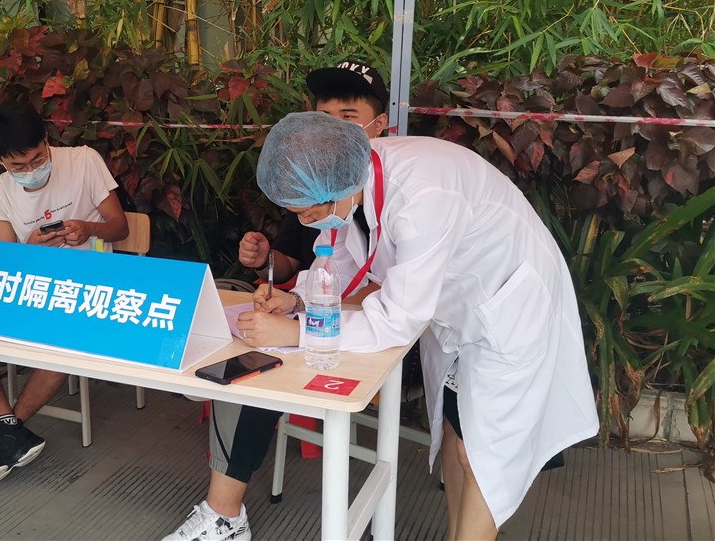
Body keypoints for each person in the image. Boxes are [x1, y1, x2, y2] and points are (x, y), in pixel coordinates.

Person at [165, 112, 599, 541]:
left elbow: (396, 320)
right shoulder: (355, 181)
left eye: (307, 212)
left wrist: (297, 332)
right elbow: (339, 263)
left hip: (510, 309)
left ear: (331, 193)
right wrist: (297, 300)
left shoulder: (424, 194)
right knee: (457, 431)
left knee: (483, 457)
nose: (305, 222)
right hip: (457, 312)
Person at [0, 102, 129, 492]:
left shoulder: (83, 161)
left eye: (37, 159)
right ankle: (10, 430)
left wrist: (89, 229)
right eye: (18, 166)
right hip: (33, 292)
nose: (31, 170)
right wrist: (30, 249)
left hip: (91, 288)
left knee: (63, 337)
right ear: (0, 161)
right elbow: (7, 266)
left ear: (47, 141)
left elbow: (120, 226)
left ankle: (5, 431)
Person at [238, 61, 388, 285]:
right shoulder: (307, 183)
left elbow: (400, 289)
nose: (335, 128)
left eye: (348, 117)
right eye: (324, 118)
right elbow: (288, 264)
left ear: (379, 123)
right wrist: (263, 261)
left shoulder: (399, 192)